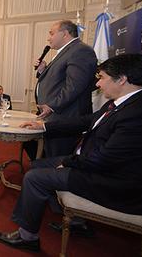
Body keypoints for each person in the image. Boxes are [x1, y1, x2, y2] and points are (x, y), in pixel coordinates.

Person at [0, 54, 142, 252]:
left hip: (117, 183)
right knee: (36, 165)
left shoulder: (140, 113)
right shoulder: (125, 102)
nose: (98, 83)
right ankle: (76, 220)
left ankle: (27, 237)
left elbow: (106, 158)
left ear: (122, 79)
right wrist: (43, 126)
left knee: (35, 177)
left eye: (102, 77)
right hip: (99, 166)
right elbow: (86, 121)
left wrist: (68, 162)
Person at [28, 20, 97, 159]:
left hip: (65, 116)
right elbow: (58, 80)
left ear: (65, 33)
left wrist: (52, 106)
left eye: (52, 33)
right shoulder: (66, 51)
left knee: (57, 157)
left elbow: (75, 86)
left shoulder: (80, 51)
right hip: (54, 115)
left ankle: (47, 179)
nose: (49, 38)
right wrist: (42, 71)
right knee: (43, 152)